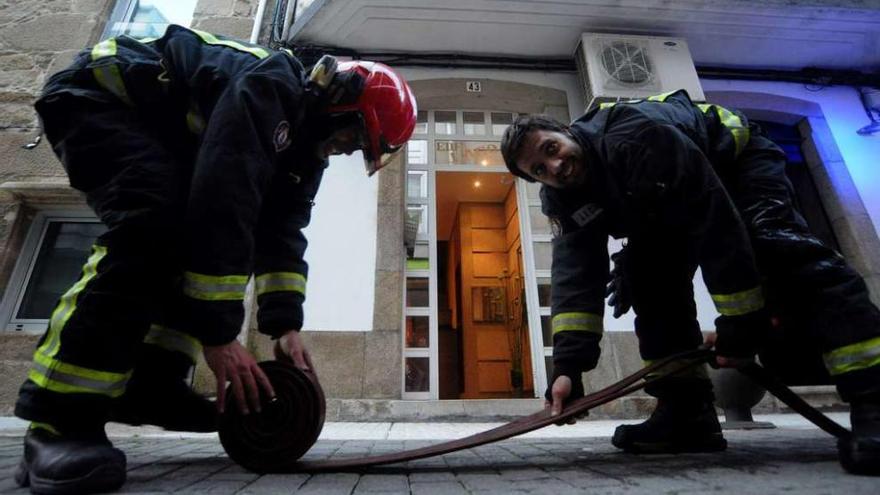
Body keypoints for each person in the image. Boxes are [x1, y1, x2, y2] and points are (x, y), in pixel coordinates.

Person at [13, 25, 416, 494]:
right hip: (96, 98)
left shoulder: (303, 154)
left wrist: (284, 326)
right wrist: (219, 335)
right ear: (340, 106)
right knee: (152, 224)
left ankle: (152, 383)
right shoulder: (271, 87)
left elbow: (281, 233)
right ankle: (58, 421)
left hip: (159, 133)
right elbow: (224, 199)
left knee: (206, 237)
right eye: (355, 138)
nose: (348, 150)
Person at [500, 90, 880, 476]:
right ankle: (686, 414)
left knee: (779, 250)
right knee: (649, 283)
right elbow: (575, 272)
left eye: (552, 148)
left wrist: (741, 324)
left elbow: (715, 227)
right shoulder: (562, 198)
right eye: (540, 169)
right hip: (660, 201)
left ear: (567, 132)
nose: (555, 166)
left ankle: (873, 398)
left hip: (735, 165)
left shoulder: (637, 137)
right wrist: (568, 366)